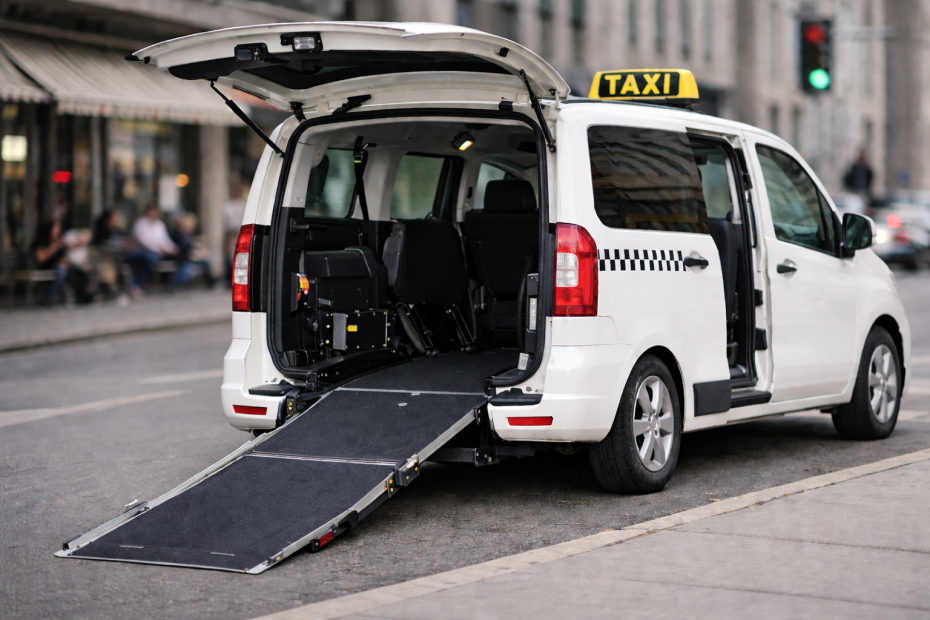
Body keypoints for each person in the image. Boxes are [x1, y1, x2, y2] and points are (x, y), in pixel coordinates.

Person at [32, 219, 94, 305]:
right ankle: (49, 296)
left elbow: (63, 256)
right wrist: (54, 247)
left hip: (58, 267)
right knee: (62, 271)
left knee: (70, 270)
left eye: (58, 227)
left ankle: (83, 294)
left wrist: (63, 260)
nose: (57, 230)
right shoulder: (41, 242)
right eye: (55, 227)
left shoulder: (59, 242)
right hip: (44, 267)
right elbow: (41, 259)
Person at [126, 204, 178, 297]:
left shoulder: (160, 224)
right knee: (149, 259)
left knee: (179, 257)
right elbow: (143, 241)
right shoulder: (141, 223)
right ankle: (136, 284)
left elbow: (165, 240)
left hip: (158, 253)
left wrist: (172, 248)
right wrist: (158, 250)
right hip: (141, 252)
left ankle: (174, 284)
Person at [168, 212, 215, 291]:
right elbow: (182, 249)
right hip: (180, 257)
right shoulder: (177, 234)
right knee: (185, 267)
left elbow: (191, 245)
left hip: (188, 256)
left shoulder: (189, 234)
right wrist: (194, 253)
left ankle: (211, 283)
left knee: (205, 261)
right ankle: (176, 285)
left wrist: (199, 250)